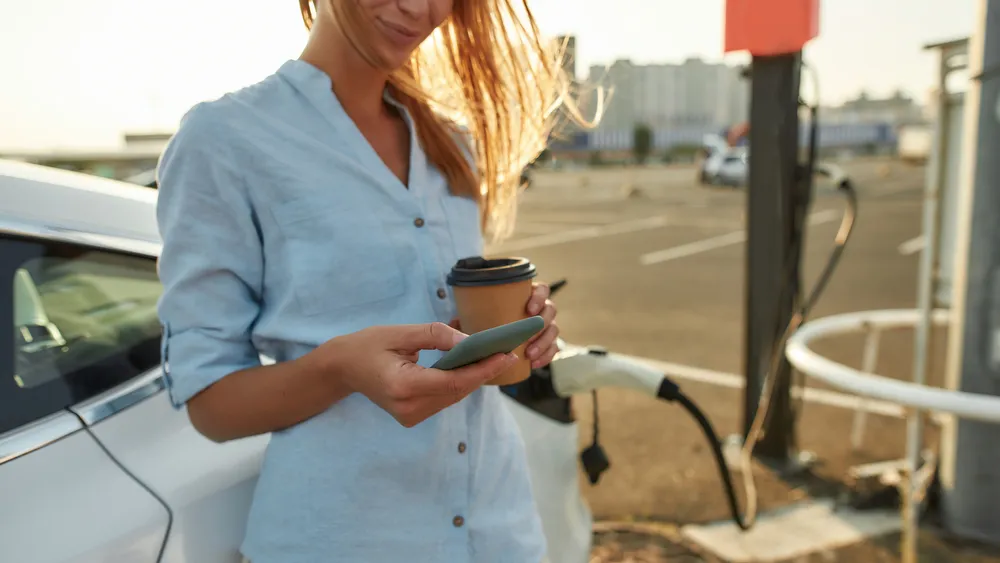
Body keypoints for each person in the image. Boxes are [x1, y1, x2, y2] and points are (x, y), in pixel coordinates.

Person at [154, 0, 588, 562]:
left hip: (501, 530)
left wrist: (521, 331)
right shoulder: (225, 139)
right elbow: (211, 406)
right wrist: (342, 367)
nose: (420, 8)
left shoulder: (453, 145)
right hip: (343, 540)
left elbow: (457, 329)